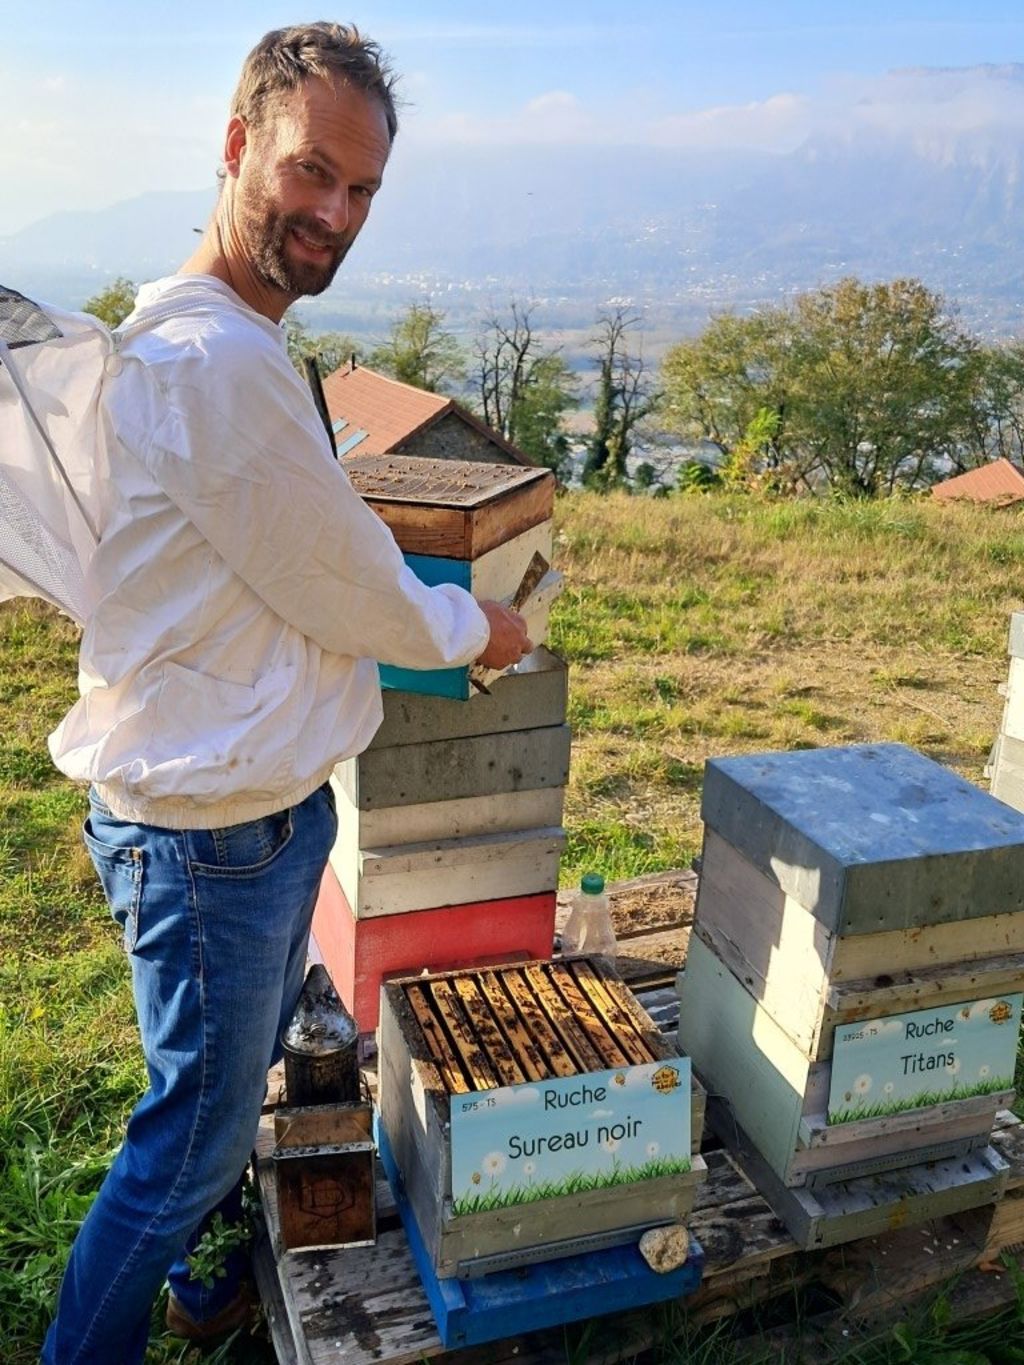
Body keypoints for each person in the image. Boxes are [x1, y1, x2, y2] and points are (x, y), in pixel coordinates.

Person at [41, 23, 531, 1364]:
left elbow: (283, 549)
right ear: (238, 143)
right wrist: (477, 621)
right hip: (213, 840)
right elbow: (349, 590)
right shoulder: (222, 365)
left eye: (362, 191)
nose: (335, 212)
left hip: (229, 814)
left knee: (209, 1091)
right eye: (313, 171)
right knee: (184, 1148)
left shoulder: (201, 335)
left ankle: (210, 1293)